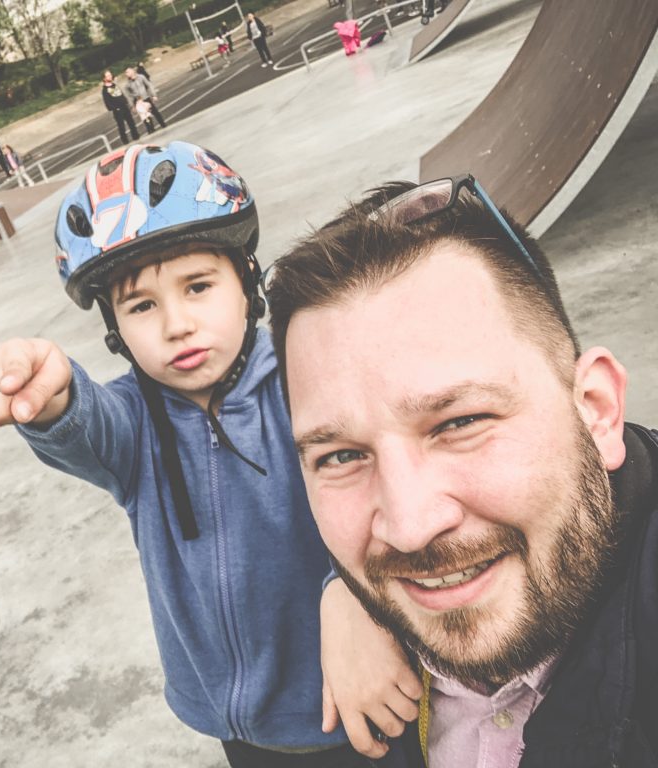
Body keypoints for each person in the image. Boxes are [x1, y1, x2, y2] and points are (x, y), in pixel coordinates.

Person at [0, 142, 417, 767]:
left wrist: (361, 599)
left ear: (247, 281)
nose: (176, 324)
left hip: (361, 706)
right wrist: (46, 388)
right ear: (115, 330)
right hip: (240, 730)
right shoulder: (134, 426)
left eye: (198, 286)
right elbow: (82, 418)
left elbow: (395, 506)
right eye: (141, 305)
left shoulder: (309, 384)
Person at [265, 176, 658, 767]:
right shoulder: (340, 669)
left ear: (597, 411)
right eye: (341, 456)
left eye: (460, 422)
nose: (409, 526)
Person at [101, 70, 139, 145]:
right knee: (121, 125)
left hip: (124, 106)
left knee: (131, 122)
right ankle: (125, 140)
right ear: (104, 78)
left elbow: (122, 94)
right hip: (117, 109)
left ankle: (136, 136)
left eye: (110, 75)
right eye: (108, 76)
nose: (110, 76)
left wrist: (127, 102)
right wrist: (114, 108)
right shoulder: (105, 90)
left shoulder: (115, 85)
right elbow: (107, 102)